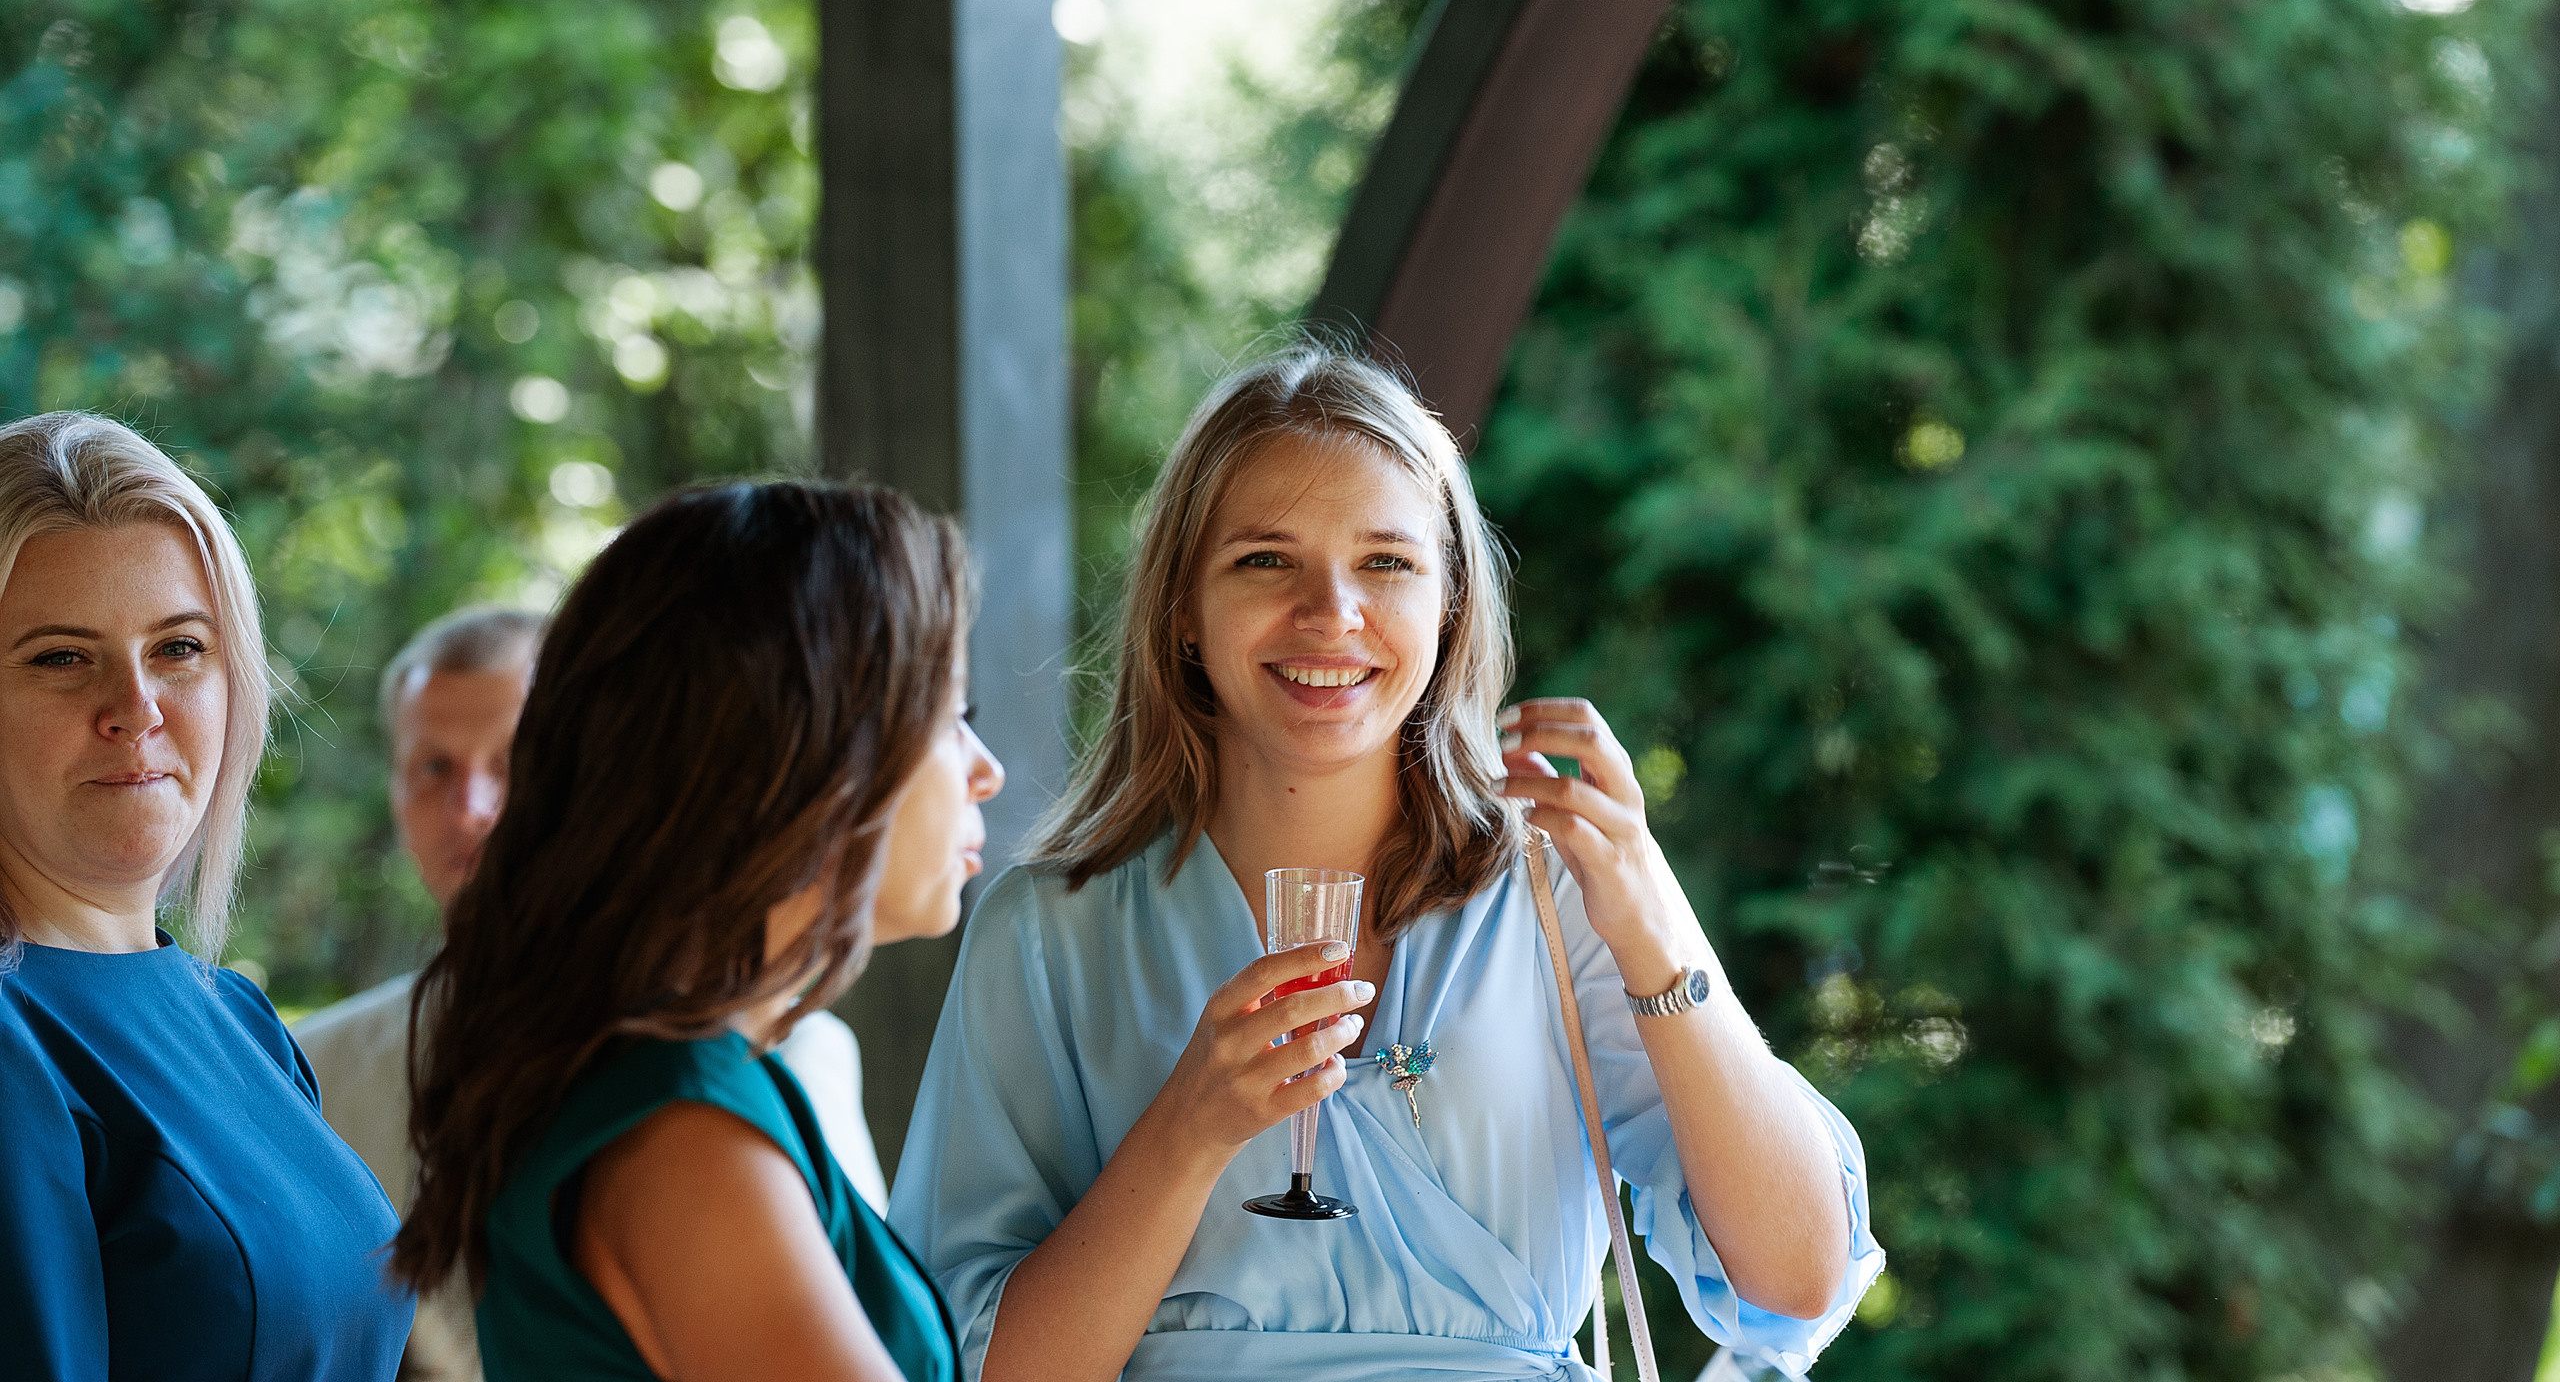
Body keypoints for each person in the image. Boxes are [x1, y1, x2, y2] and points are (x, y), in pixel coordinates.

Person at [892, 346, 1885, 1382]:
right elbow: (972, 1371)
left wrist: (1652, 919)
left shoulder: (1562, 899)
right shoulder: (1048, 934)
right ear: (1182, 606)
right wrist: (1187, 1131)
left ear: (1450, 602)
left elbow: (1795, 1278)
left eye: (1386, 563)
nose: (1331, 613)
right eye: (1265, 560)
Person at [393, 480, 1001, 1382]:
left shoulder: (698, 1080)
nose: (986, 772)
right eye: (950, 719)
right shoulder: (678, 1131)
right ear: (807, 751)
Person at [297, 605, 895, 1381]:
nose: (471, 808)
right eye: (434, 768)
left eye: (512, 760)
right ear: (394, 791)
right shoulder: (309, 1073)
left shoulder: (784, 1052)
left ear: (590, 776)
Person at [0, 411, 412, 1380]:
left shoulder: (240, 1021)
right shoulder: (13, 1046)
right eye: (61, 657)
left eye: (179, 648)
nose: (136, 709)